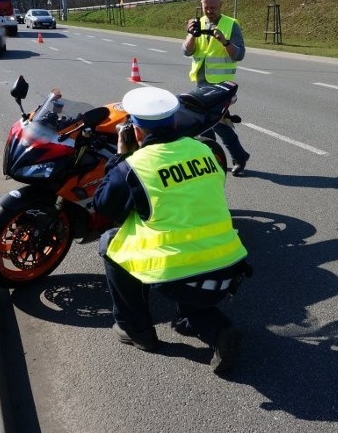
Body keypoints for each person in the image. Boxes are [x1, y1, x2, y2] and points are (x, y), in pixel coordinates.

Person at [94, 86, 252, 374]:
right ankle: (219, 330)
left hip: (179, 274)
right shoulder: (204, 150)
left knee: (110, 243)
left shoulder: (134, 166)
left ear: (136, 131)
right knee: (190, 311)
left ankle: (136, 329)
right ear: (175, 120)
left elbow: (105, 207)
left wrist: (120, 157)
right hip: (229, 268)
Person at [183, 0, 251, 176]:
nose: (209, 11)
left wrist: (224, 41)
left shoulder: (231, 25)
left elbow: (239, 54)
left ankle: (237, 157)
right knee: (206, 124)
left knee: (218, 124)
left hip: (221, 86)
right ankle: (215, 158)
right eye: (206, 7)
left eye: (213, 7)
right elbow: (186, 51)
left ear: (221, 5)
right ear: (201, 5)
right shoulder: (199, 23)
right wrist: (191, 34)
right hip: (201, 84)